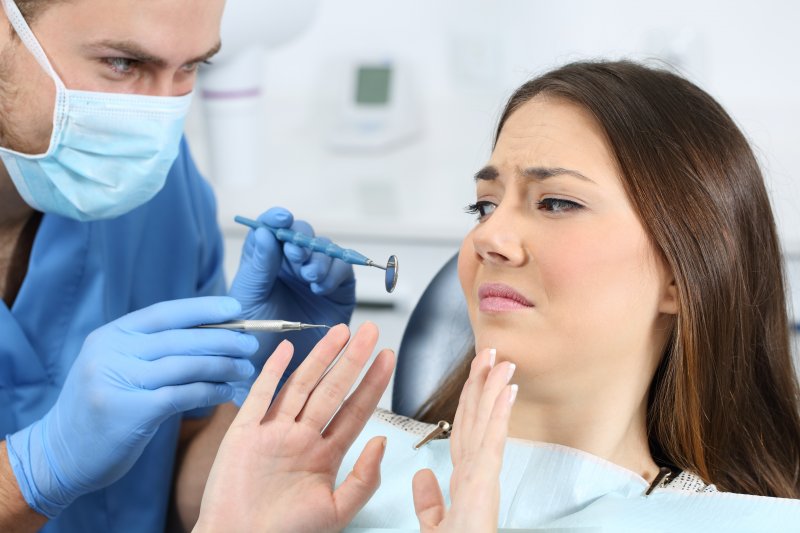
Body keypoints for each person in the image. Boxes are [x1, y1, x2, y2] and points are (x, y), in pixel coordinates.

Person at [192, 60, 800, 531]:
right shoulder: (331, 467)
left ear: (681, 272)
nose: (488, 236)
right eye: (483, 204)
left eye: (557, 202)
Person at [0, 1, 355, 531]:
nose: (158, 115)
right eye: (123, 63)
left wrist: (265, 382)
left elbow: (186, 492)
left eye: (192, 67)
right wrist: (32, 472)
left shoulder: (157, 183)